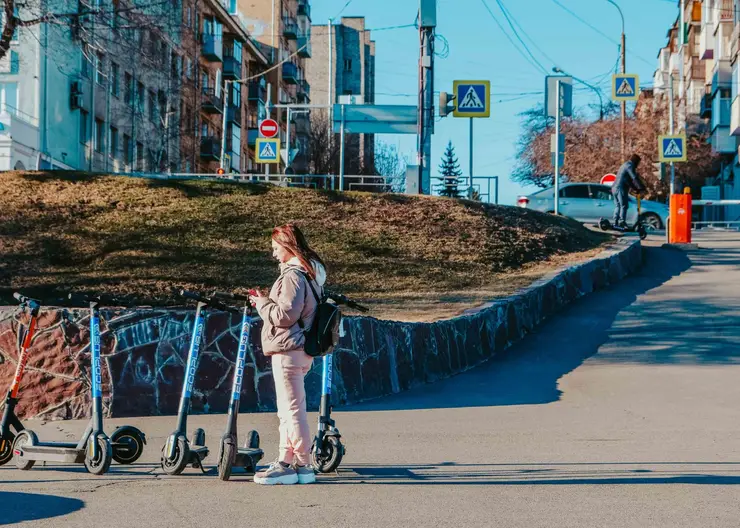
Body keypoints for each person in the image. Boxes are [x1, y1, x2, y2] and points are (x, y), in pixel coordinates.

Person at [250, 224, 326, 486]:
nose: (273, 254)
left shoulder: (294, 275)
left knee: (292, 412)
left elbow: (285, 315)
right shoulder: (309, 274)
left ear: (287, 245)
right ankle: (285, 461)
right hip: (299, 349)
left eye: (275, 248)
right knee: (287, 411)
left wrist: (262, 304)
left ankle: (303, 465)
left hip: (288, 349)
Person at [612, 154, 646, 228]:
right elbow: (634, 178)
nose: (638, 165)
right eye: (638, 163)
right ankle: (621, 222)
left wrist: (636, 188)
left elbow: (628, 181)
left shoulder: (624, 165)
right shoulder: (630, 166)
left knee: (618, 206)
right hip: (620, 188)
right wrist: (641, 188)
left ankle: (615, 223)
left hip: (614, 187)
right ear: (636, 161)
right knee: (624, 205)